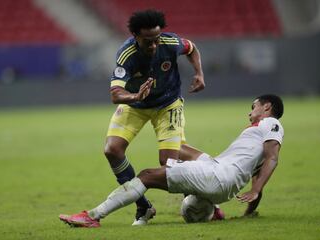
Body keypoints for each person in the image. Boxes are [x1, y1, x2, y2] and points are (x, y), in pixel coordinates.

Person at [59, 94, 285, 228]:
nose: (250, 112)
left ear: (267, 107)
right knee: (178, 149)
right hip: (219, 171)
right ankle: (213, 209)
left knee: (147, 176)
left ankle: (92, 216)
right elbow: (262, 168)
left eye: (253, 106)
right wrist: (250, 209)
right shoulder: (257, 137)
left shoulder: (270, 123)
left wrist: (255, 189)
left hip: (219, 176)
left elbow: (273, 158)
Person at [103, 9, 205, 225]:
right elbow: (115, 94)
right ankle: (143, 207)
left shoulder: (171, 42)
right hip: (136, 105)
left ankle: (201, 200)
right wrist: (135, 95)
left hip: (167, 104)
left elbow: (192, 48)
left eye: (156, 39)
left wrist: (198, 73)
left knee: (168, 163)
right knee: (112, 150)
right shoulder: (126, 54)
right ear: (135, 36)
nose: (153, 45)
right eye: (147, 41)